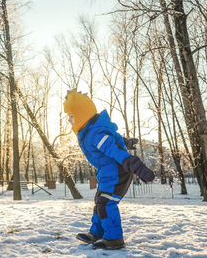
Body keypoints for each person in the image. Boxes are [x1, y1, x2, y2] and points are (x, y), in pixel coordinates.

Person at [63, 90, 155, 250]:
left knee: (106, 204)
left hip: (118, 172)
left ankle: (114, 238)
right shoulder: (93, 130)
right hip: (108, 173)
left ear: (81, 114)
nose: (68, 119)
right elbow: (113, 139)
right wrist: (125, 141)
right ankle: (98, 233)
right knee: (100, 201)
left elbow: (114, 150)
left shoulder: (95, 134)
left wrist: (136, 165)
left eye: (71, 115)